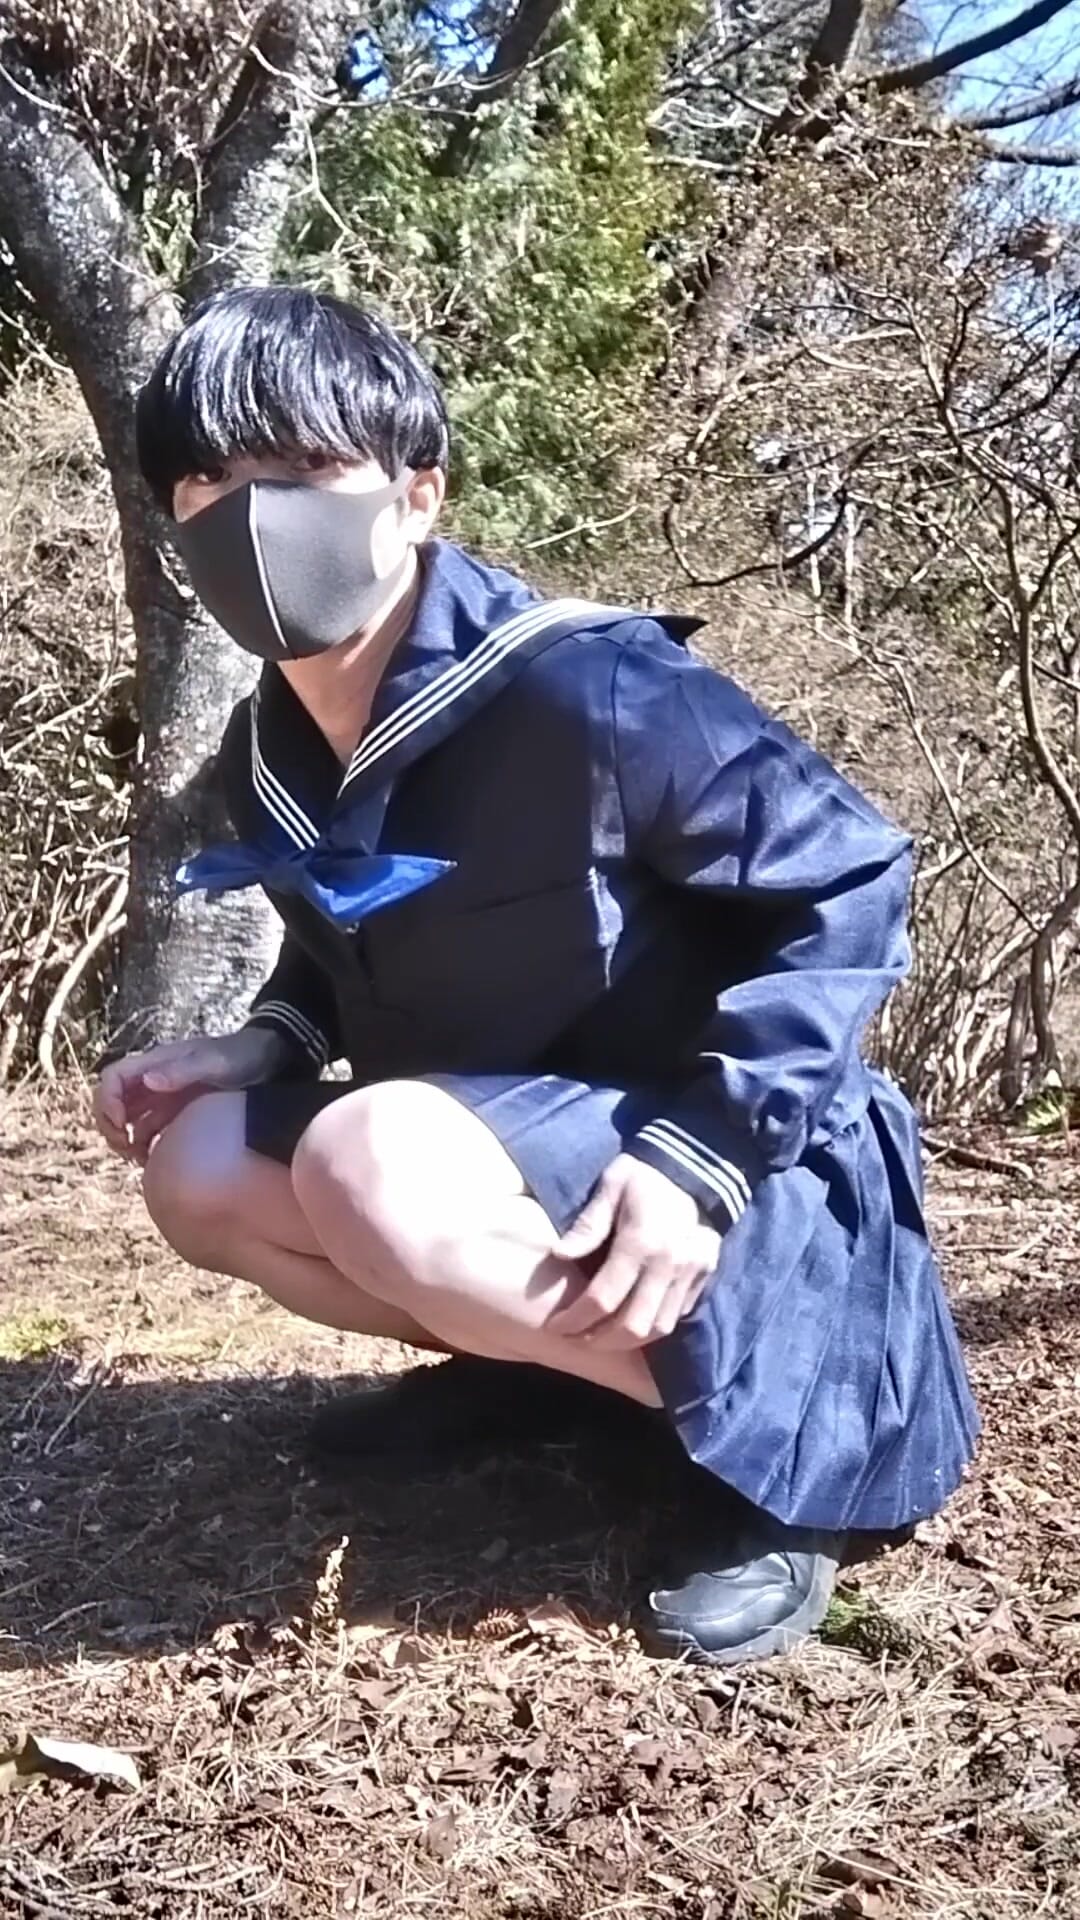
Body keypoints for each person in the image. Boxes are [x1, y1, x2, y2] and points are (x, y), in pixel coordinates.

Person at [93, 285, 979, 1666]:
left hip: (739, 1162)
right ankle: (561, 1382)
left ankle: (779, 1448)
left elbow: (851, 879)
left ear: (418, 496)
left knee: (371, 1156)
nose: (257, 517)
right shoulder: (261, 754)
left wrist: (707, 1159)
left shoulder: (589, 685)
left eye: (309, 469)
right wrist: (259, 1046)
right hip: (523, 1151)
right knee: (201, 1163)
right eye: (214, 477)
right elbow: (364, 954)